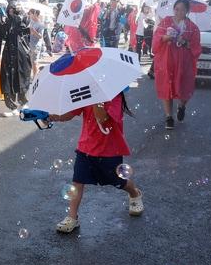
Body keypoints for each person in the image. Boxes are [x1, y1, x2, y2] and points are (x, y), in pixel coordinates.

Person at [50, 90, 144, 234]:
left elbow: (101, 118)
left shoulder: (115, 96)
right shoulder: (87, 92)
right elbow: (69, 114)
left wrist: (96, 98)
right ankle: (72, 217)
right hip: (86, 148)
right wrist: (49, 116)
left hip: (109, 151)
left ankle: (134, 193)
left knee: (118, 181)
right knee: (78, 181)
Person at [152, 0, 201, 129]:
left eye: (182, 9)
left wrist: (184, 41)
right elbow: (157, 38)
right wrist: (166, 37)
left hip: (185, 62)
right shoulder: (166, 21)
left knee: (185, 87)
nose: (179, 12)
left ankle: (182, 105)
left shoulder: (192, 27)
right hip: (167, 60)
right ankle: (169, 117)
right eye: (177, 9)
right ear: (174, 9)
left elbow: (196, 47)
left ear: (187, 11)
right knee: (167, 87)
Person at [0, 0, 34, 113]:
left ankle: (23, 102)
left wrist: (17, 16)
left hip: (21, 51)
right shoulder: (6, 21)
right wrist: (2, 21)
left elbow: (25, 29)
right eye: (10, 9)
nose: (11, 11)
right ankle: (12, 106)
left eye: (13, 9)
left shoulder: (23, 18)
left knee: (22, 76)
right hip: (9, 51)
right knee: (9, 77)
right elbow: (3, 35)